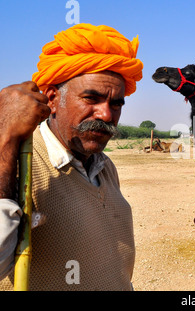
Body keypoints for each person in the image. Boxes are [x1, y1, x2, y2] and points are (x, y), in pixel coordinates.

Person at [0, 23, 143, 290]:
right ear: (52, 99)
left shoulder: (105, 167)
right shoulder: (17, 164)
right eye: (91, 98)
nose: (106, 115)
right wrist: (5, 137)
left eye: (115, 103)